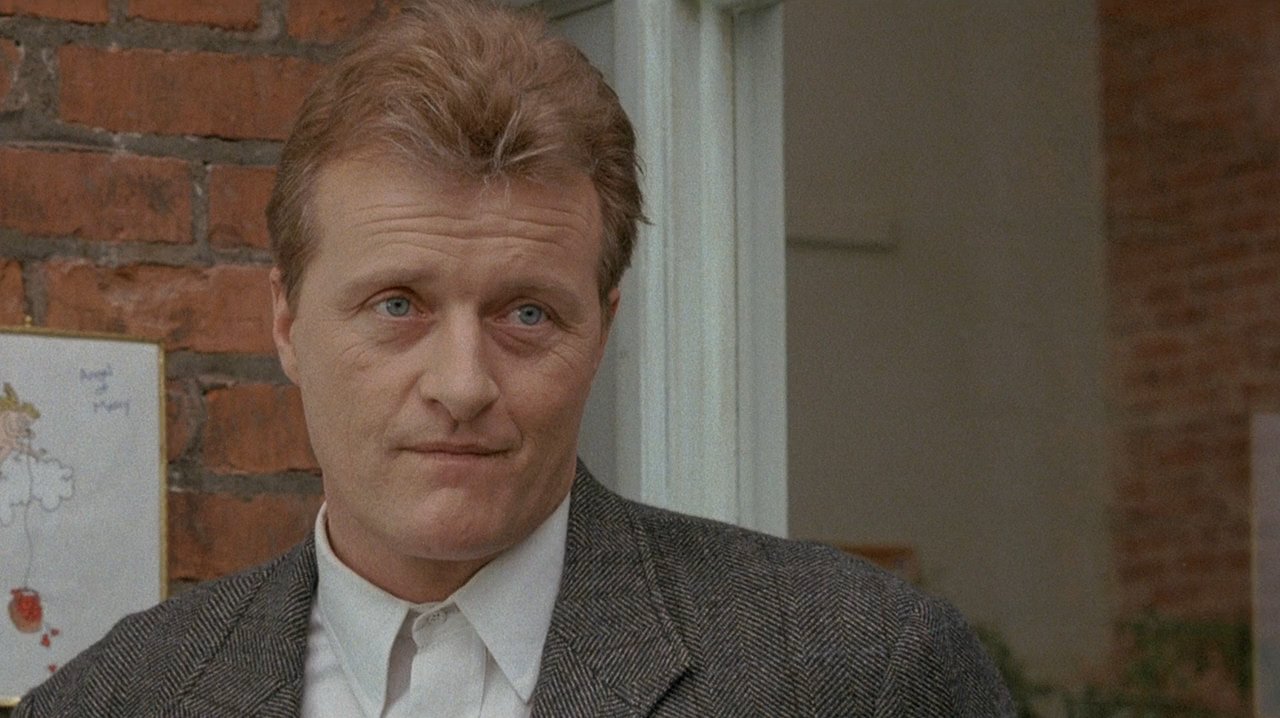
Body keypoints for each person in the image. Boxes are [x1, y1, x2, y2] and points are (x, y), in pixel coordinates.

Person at [16, 1, 1013, 715]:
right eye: (397, 305)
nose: (462, 384)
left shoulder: (860, 673)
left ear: (602, 331)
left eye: (526, 314)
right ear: (286, 323)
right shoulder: (117, 698)